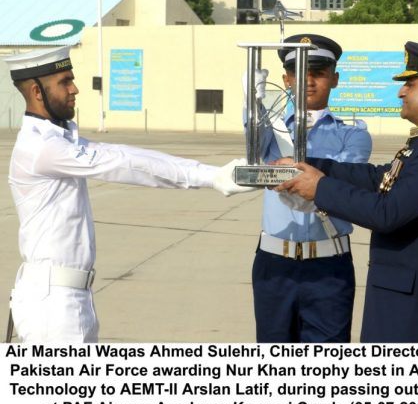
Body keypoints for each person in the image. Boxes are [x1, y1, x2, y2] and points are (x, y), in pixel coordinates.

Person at [4, 46, 252, 343]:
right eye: (65, 81)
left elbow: (121, 152)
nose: (75, 89)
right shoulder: (42, 148)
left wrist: (211, 173)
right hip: (54, 306)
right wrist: (211, 176)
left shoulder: (58, 140)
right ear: (36, 91)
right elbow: (124, 165)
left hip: (66, 296)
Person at [275, 41, 418, 342]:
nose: (401, 92)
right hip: (406, 302)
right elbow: (379, 177)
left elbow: (387, 213)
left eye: (410, 84)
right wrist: (309, 166)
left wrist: (318, 188)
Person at [248, 34, 372, 342]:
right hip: (274, 263)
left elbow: (339, 187)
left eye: (318, 73)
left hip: (328, 267)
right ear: (286, 80)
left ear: (335, 79)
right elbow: (252, 141)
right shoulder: (273, 127)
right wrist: (253, 100)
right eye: (299, 74)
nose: (309, 82)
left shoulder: (352, 134)